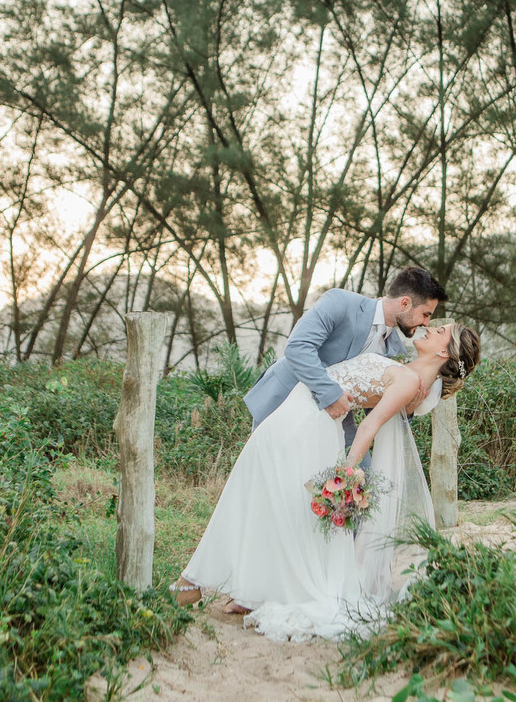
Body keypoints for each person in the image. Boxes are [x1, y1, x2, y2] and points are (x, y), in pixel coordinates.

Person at [169, 321, 481, 642]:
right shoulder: (408, 376)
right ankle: (243, 590)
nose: (432, 327)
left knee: (260, 493)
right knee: (264, 495)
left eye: (441, 329)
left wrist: (344, 473)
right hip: (302, 413)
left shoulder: (408, 381)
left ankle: (192, 583)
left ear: (444, 350)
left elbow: (369, 427)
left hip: (309, 424)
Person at [242, 266, 449, 455]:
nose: (426, 323)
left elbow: (376, 408)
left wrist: (408, 410)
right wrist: (331, 395)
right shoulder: (340, 302)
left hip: (336, 420)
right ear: (405, 303)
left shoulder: (395, 349)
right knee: (269, 478)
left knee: (361, 481)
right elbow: (298, 347)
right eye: (425, 314)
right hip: (284, 399)